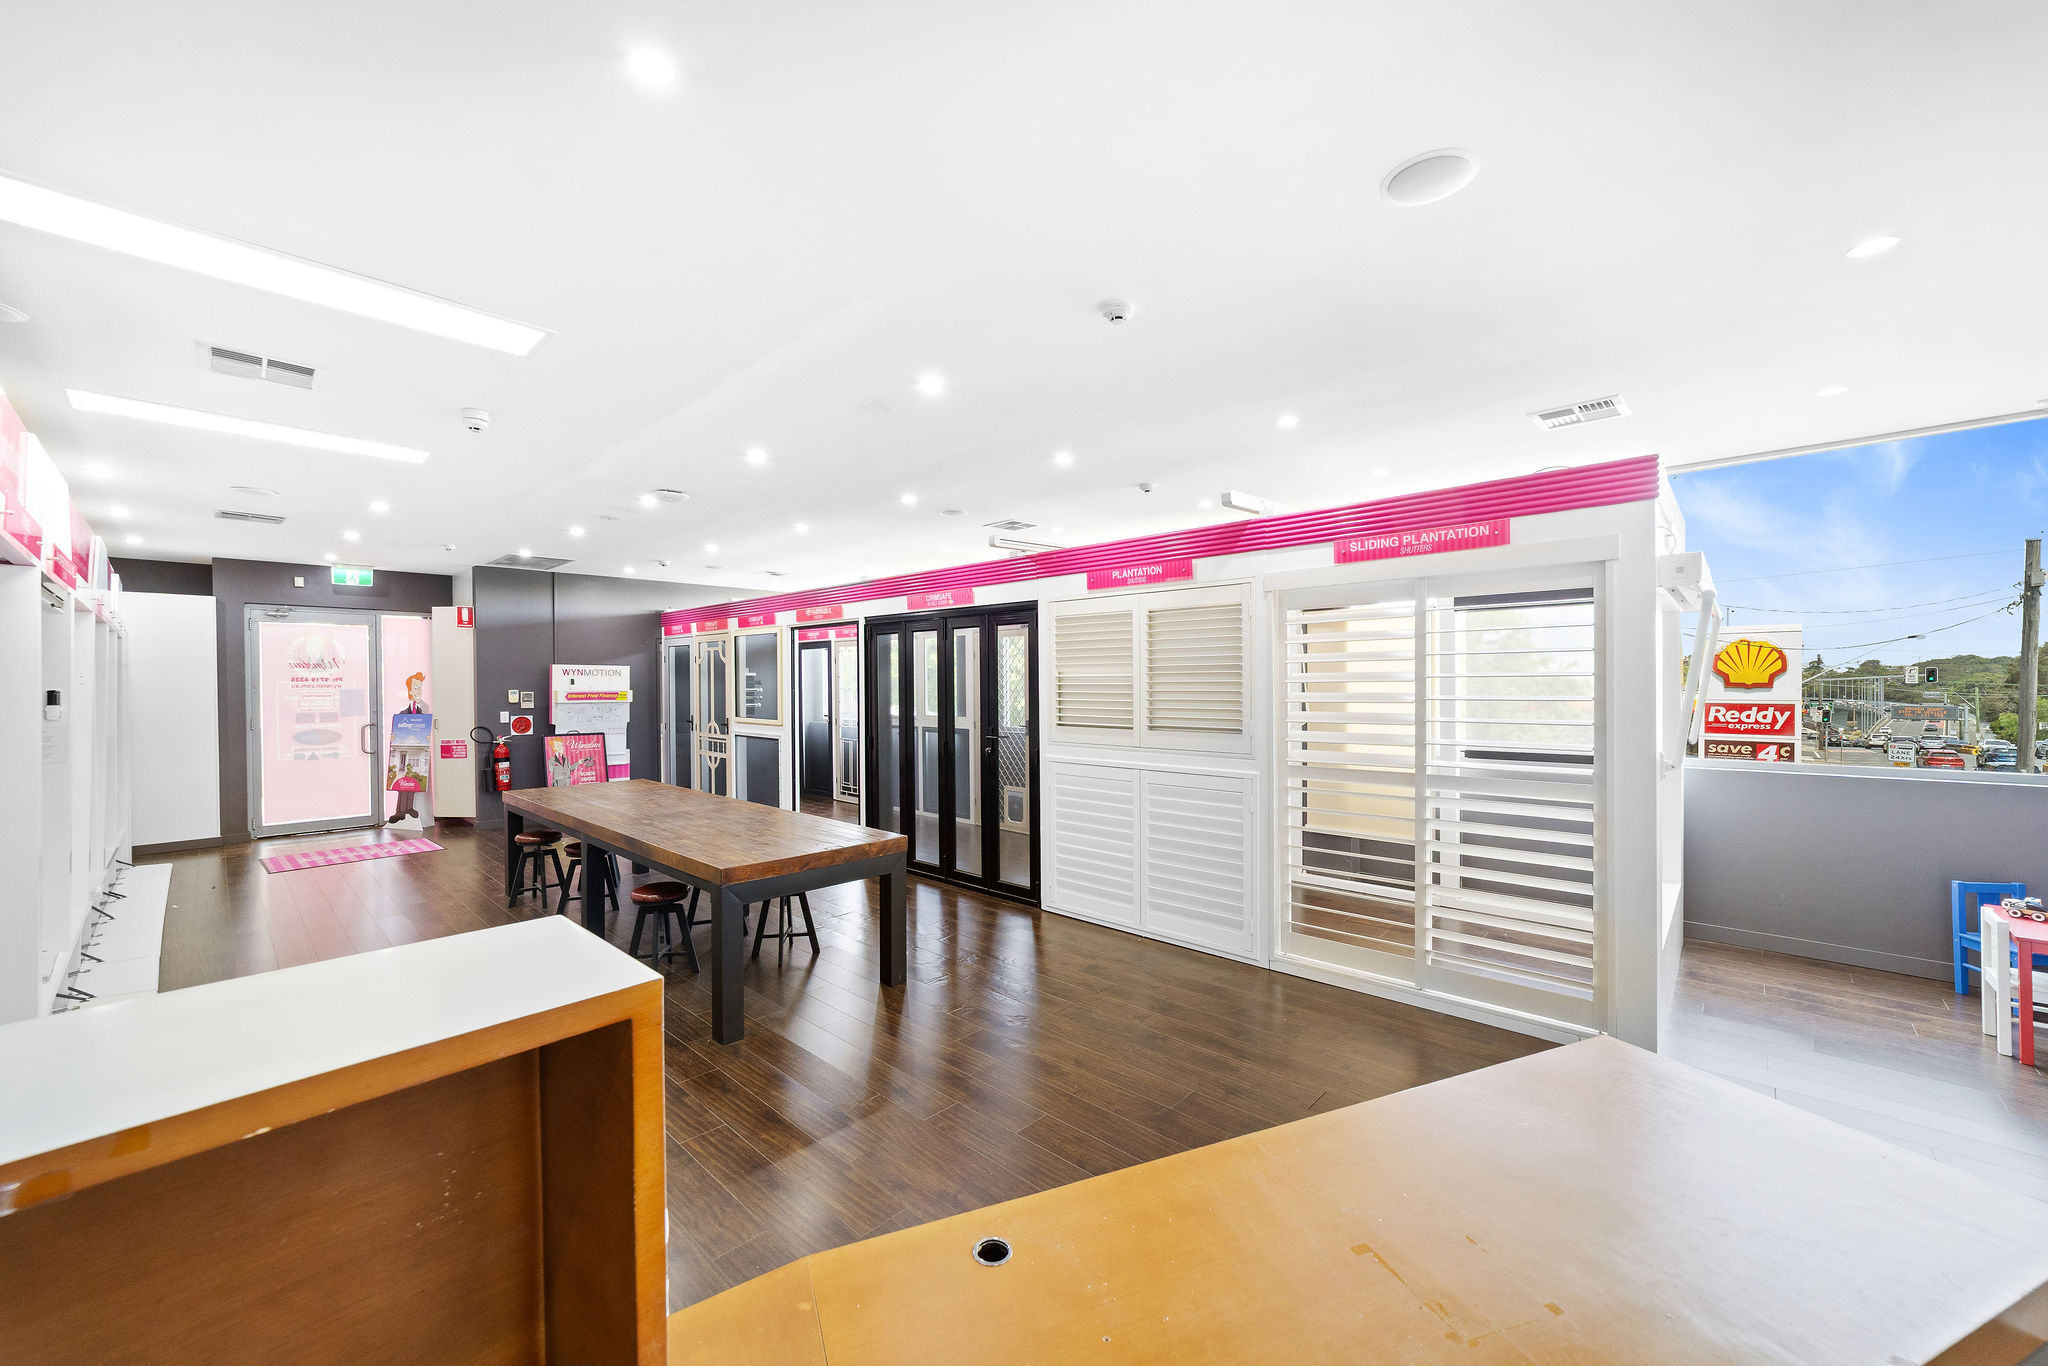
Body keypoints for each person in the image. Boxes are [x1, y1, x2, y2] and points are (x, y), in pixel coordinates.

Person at [388, 671, 427, 824]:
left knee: (412, 781)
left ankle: (408, 808)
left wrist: (427, 737)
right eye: (416, 688)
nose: (419, 691)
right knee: (401, 781)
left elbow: (423, 730)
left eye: (420, 687)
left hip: (415, 751)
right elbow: (398, 728)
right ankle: (400, 811)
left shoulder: (420, 711)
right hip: (403, 753)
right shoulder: (404, 712)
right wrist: (393, 736)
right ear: (410, 691)